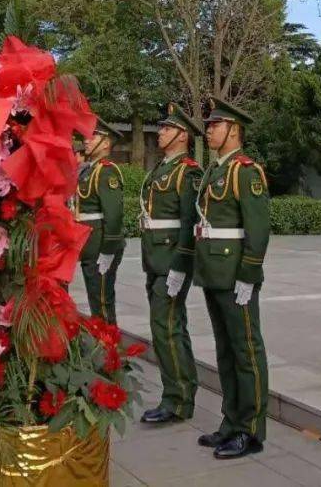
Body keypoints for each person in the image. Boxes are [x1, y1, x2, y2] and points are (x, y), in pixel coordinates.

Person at [175, 97, 269, 460]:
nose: (209, 130)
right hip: (213, 272)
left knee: (246, 351)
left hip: (234, 274)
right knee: (226, 352)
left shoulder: (246, 172)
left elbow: (257, 231)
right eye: (209, 125)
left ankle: (251, 429)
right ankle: (231, 421)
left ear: (234, 130)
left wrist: (249, 274)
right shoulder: (215, 171)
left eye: (215, 125)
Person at [138, 103, 203, 425]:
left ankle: (177, 400)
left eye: (166, 128)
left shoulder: (188, 172)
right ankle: (182, 389)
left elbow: (191, 223)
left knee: (166, 328)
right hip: (155, 259)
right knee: (169, 327)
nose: (160, 132)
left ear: (182, 134)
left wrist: (180, 266)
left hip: (171, 261)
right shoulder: (161, 169)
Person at [75, 117, 125, 324]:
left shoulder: (106, 171)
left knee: (102, 302)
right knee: (96, 300)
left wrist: (108, 251)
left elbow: (113, 216)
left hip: (99, 246)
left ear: (106, 143)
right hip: (89, 245)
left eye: (92, 136)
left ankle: (110, 349)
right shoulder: (90, 169)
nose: (86, 140)